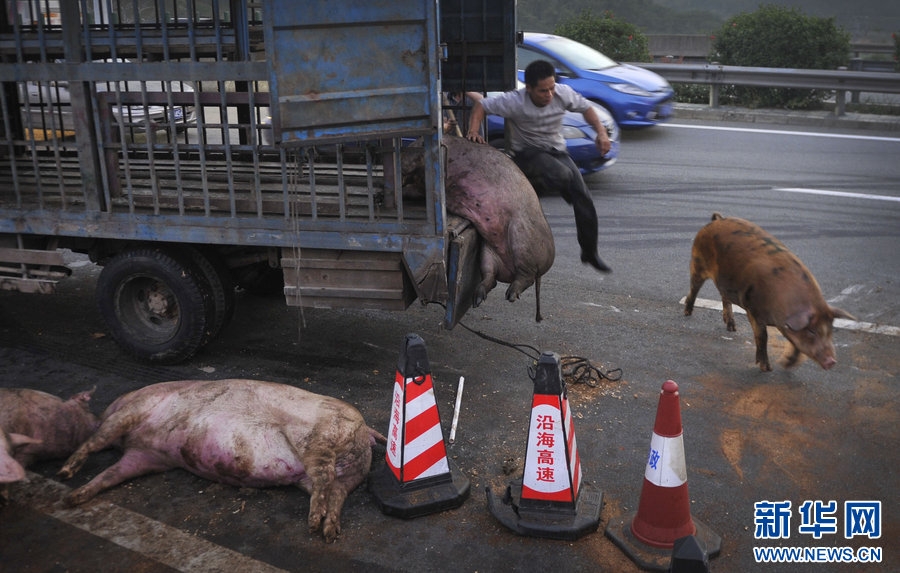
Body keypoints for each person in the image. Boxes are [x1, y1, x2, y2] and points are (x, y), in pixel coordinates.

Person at [465, 60, 612, 273]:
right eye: (543, 91)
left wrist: (601, 132)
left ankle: (589, 253)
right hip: (527, 154)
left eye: (551, 89)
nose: (549, 95)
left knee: (583, 198)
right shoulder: (515, 101)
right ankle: (535, 189)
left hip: (556, 151)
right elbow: (482, 106)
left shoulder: (563, 93)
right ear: (530, 88)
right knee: (563, 175)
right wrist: (473, 130)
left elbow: (587, 108)